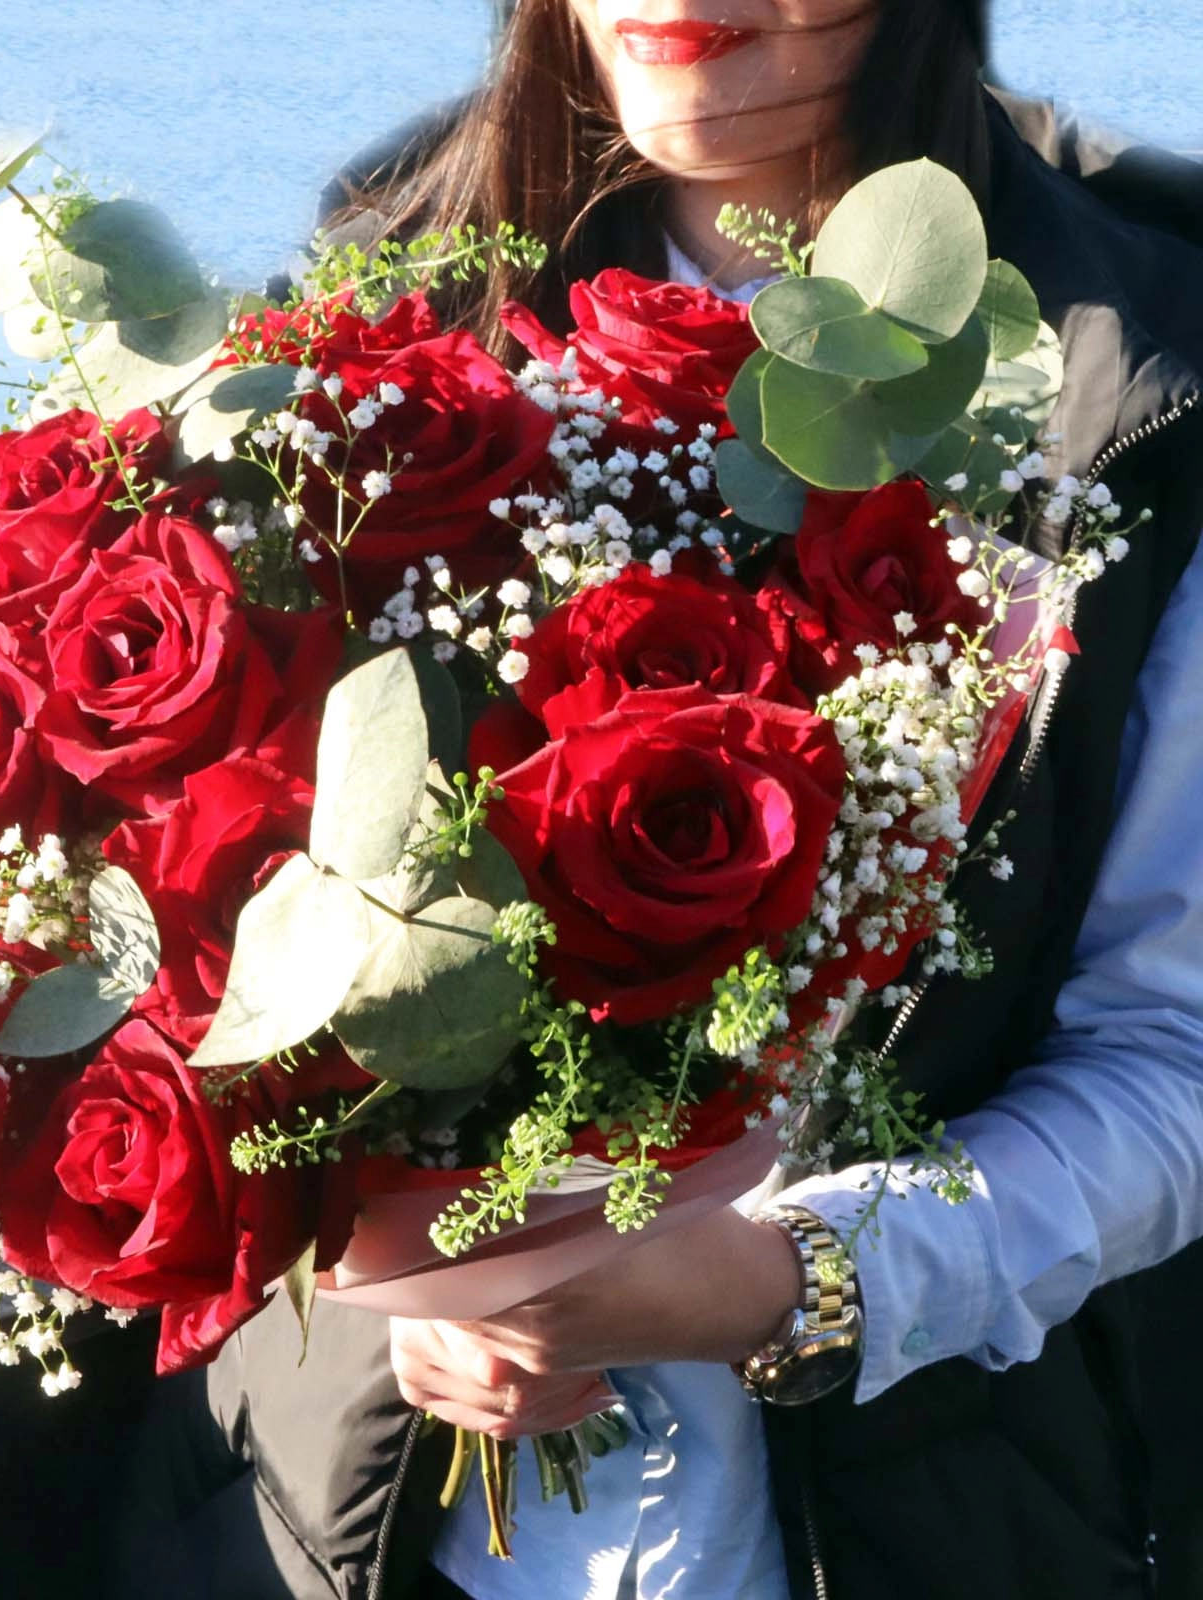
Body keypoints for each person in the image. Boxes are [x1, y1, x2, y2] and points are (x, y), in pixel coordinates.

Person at [117, 3, 1203, 1596]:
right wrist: (387, 1263)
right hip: (362, 1511)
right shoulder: (368, 315)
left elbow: (1172, 1063)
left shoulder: (1140, 394)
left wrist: (795, 1280)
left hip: (906, 1508)